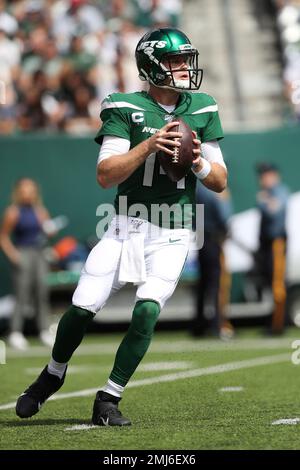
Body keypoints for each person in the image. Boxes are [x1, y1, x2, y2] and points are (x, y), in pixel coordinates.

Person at [15, 27, 227, 426]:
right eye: (175, 60)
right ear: (151, 65)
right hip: (126, 225)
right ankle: (54, 373)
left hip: (175, 228)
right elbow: (105, 175)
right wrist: (149, 144)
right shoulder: (123, 106)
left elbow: (219, 180)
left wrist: (197, 161)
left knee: (147, 311)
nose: (184, 68)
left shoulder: (202, 107)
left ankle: (109, 397)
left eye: (186, 59)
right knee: (81, 307)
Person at [0, 178, 54, 349]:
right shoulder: (13, 212)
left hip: (39, 254)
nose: (28, 194)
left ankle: (44, 331)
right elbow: (3, 236)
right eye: (24, 190)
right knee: (21, 294)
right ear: (18, 192)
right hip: (23, 252)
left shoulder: (40, 210)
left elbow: (48, 232)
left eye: (31, 190)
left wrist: (50, 230)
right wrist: (14, 255)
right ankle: (15, 333)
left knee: (41, 292)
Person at [192, 184, 233, 339]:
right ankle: (217, 324)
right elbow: (223, 215)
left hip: (201, 239)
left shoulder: (198, 190)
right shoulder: (216, 190)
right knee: (217, 284)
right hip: (213, 239)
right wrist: (225, 230)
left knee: (202, 284)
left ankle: (198, 325)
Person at [255, 162, 290, 334]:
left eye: (266, 175)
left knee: (277, 284)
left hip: (277, 242)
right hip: (267, 243)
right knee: (270, 282)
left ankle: (278, 324)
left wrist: (264, 202)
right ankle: (274, 321)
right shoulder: (268, 193)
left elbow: (274, 211)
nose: (263, 179)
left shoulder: (279, 191)